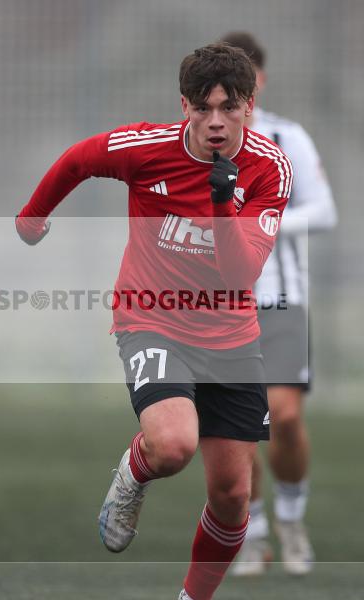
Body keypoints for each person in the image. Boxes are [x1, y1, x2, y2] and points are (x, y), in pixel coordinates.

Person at [17, 43, 292, 600]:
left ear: (250, 103)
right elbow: (79, 159)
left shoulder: (269, 167)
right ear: (183, 105)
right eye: (203, 107)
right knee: (172, 446)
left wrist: (220, 204)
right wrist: (32, 215)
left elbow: (240, 273)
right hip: (153, 318)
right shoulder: (147, 147)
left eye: (230, 107)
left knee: (233, 494)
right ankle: (134, 473)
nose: (216, 122)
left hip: (231, 336)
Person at [219, 32, 337, 577]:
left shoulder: (289, 138)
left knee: (284, 417)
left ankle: (292, 520)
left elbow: (324, 212)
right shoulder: (196, 142)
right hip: (221, 306)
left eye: (243, 80)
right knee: (240, 429)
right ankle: (254, 531)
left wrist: (264, 224)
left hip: (282, 299)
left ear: (258, 83)